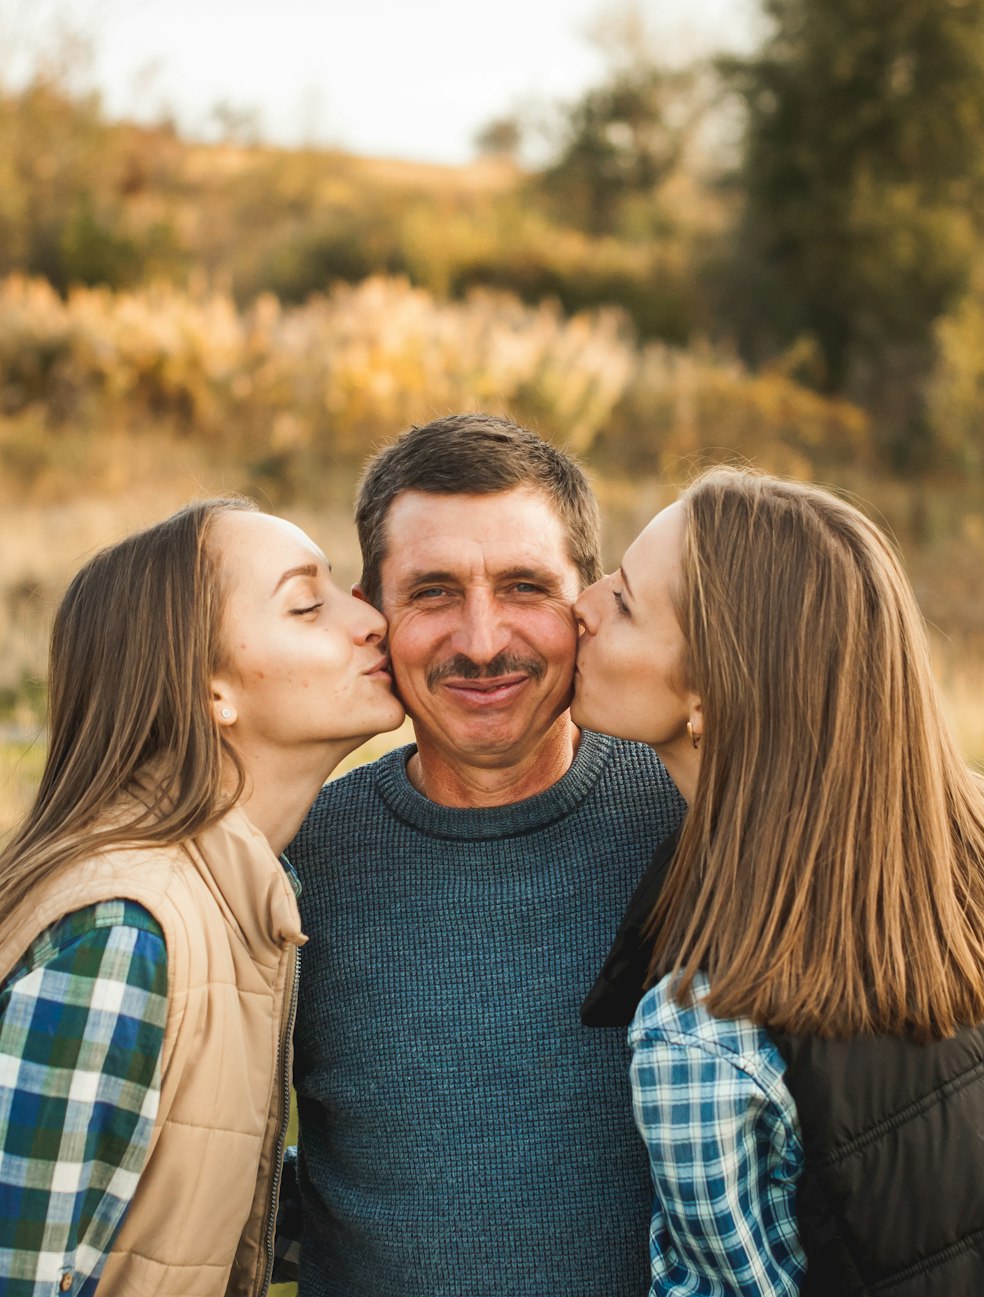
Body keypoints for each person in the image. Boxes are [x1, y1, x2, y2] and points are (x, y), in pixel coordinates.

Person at [572, 465, 984, 1297]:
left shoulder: (701, 1030)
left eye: (622, 601)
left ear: (708, 692)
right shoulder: (983, 840)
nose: (579, 605)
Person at [286, 413, 686, 1296]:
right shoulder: (296, 864)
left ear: (586, 602)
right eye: (431, 591)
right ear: (372, 612)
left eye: (524, 587)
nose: (480, 641)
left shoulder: (701, 826)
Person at [0, 496, 403, 1296]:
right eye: (306, 603)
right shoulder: (122, 934)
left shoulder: (239, 899)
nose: (371, 619)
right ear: (212, 689)